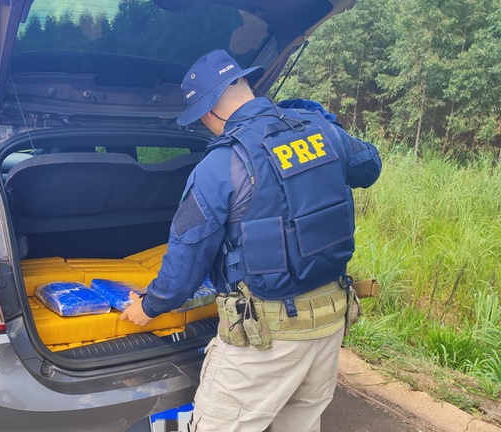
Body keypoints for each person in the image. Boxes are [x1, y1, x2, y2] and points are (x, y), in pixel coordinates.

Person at [120, 49, 382, 432]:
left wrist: (150, 306)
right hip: (329, 320)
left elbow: (186, 259)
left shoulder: (219, 165)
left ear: (209, 112)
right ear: (245, 83)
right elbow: (370, 166)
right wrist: (324, 123)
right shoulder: (319, 130)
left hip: (267, 338)